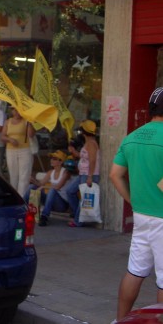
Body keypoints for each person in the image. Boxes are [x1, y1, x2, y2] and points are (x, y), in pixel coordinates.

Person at [110, 87, 163, 321]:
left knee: (135, 271)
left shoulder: (132, 137)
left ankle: (121, 320)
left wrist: (133, 200)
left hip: (141, 216)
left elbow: (115, 174)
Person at [65, 120, 100, 227]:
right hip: (83, 173)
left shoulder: (92, 144)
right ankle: (78, 214)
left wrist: (90, 176)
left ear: (84, 132)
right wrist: (73, 152)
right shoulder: (88, 143)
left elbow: (93, 160)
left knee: (84, 197)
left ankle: (78, 221)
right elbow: (84, 157)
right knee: (70, 191)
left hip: (89, 174)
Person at [24, 150, 71, 226]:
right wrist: (33, 181)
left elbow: (58, 187)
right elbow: (40, 184)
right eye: (52, 158)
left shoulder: (65, 173)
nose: (51, 160)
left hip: (61, 204)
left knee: (52, 190)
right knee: (32, 187)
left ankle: (44, 217)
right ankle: (22, 208)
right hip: (50, 201)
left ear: (61, 162)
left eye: (55, 158)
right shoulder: (50, 172)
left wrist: (43, 186)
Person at [1, 106, 35, 198]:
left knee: (24, 176)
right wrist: (10, 139)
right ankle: (14, 197)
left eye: (18, 109)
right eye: (14, 109)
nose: (16, 112)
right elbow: (2, 136)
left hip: (25, 150)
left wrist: (29, 121)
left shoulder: (26, 121)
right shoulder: (8, 122)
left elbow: (31, 135)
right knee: (13, 176)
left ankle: (22, 198)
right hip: (11, 150)